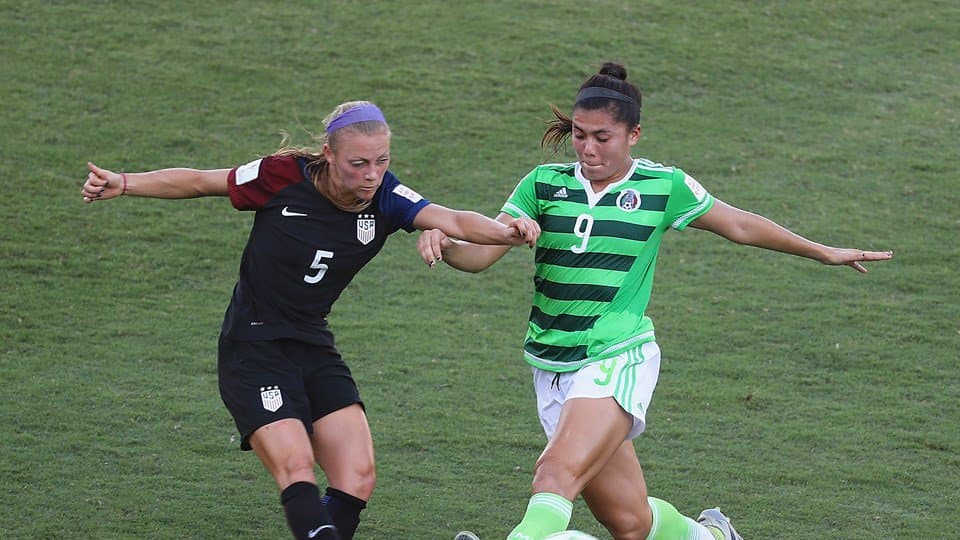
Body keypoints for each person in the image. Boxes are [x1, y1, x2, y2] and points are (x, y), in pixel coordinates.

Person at [418, 63, 893, 540]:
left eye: (603, 137)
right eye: (580, 135)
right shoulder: (543, 184)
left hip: (614, 356)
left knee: (553, 475)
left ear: (634, 134)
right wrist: (448, 242)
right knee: (630, 522)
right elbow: (482, 254)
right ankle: (712, 536)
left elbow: (742, 224)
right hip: (551, 365)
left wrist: (822, 251)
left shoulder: (663, 187)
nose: (587, 148)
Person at [80, 100, 540, 540]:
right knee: (295, 464)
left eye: (381, 160)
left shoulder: (386, 195)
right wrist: (124, 182)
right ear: (329, 154)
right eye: (359, 163)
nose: (372, 174)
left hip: (311, 345)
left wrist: (506, 232)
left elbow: (452, 218)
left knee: (357, 476)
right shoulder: (280, 176)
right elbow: (202, 181)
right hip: (253, 347)